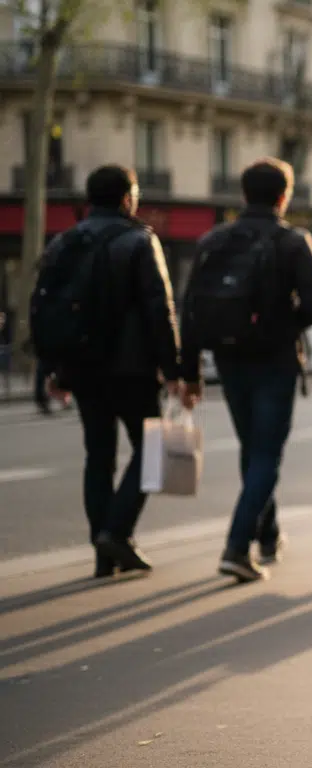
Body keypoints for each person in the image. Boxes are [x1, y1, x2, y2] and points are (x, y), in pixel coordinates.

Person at [179, 157, 312, 583]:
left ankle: (268, 534)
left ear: (243, 195)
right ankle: (237, 546)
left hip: (229, 358)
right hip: (275, 359)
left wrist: (189, 372)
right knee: (266, 453)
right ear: (284, 197)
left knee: (253, 447)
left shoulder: (212, 240)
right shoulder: (293, 241)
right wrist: (284, 327)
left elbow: (191, 310)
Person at [36, 165, 182, 578]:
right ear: (126, 198)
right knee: (152, 450)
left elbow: (47, 309)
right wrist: (174, 369)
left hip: (82, 367)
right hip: (132, 369)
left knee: (98, 457)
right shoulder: (139, 240)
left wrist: (51, 368)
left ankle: (104, 555)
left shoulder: (64, 241)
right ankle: (116, 532)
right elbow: (160, 310)